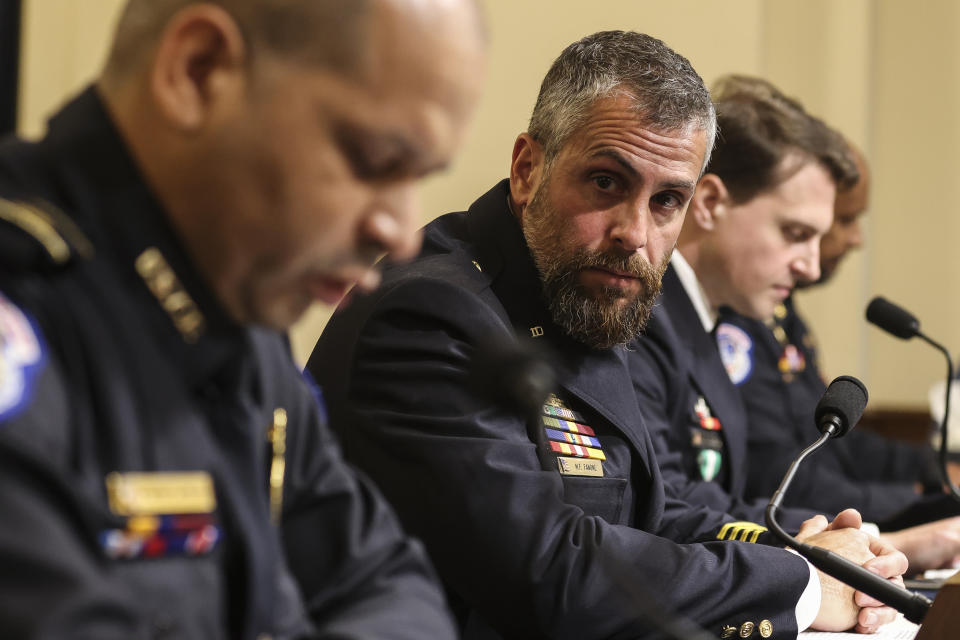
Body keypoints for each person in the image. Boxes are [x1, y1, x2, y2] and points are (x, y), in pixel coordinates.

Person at [308, 32, 905, 639]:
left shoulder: (575, 290)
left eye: (667, 200)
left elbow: (644, 511)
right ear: (527, 169)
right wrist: (801, 588)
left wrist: (807, 546)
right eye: (605, 183)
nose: (633, 232)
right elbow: (549, 569)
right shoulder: (433, 313)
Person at [0, 0, 485, 637]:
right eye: (373, 159)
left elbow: (388, 581)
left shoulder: (239, 318)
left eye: (419, 177)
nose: (400, 235)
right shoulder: (29, 306)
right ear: (197, 71)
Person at [628, 75, 960, 575]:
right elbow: (665, 506)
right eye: (795, 234)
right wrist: (868, 542)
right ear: (712, 204)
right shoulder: (639, 313)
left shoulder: (703, 317)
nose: (809, 265)